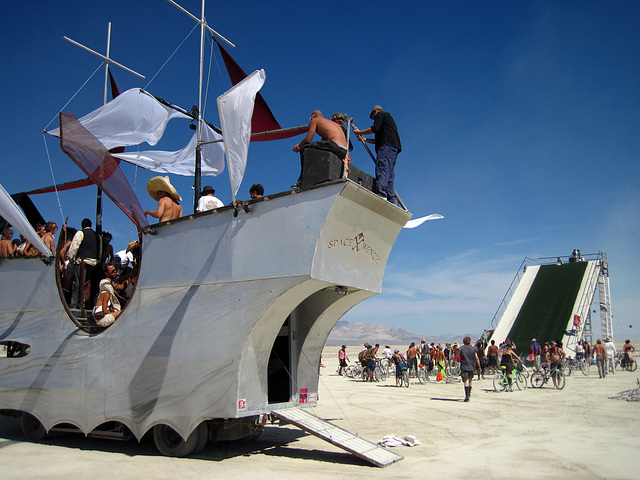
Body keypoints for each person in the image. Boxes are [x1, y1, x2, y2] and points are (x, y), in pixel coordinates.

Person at [352, 106, 401, 204]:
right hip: (392, 148)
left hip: (386, 147)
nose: (374, 119)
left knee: (382, 169)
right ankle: (391, 199)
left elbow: (375, 128)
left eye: (373, 117)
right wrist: (364, 139)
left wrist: (359, 132)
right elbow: (377, 141)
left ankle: (382, 195)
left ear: (376, 111)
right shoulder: (386, 125)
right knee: (389, 173)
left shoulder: (381, 114)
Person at [292, 110, 348, 187]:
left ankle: (301, 181)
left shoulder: (315, 120)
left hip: (334, 145)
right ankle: (318, 176)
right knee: (316, 147)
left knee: (305, 147)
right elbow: (323, 142)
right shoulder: (330, 123)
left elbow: (308, 138)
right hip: (343, 150)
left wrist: (298, 147)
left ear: (312, 117)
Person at [68, 218, 100, 309]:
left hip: (82, 261)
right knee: (85, 284)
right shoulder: (97, 236)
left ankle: (74, 304)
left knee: (77, 284)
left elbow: (74, 247)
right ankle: (83, 304)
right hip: (93, 262)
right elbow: (99, 250)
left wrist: (71, 259)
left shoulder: (80, 233)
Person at [92, 263, 123, 327]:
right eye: (112, 271)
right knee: (122, 312)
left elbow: (121, 286)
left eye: (115, 270)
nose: (115, 272)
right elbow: (105, 311)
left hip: (101, 318)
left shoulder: (105, 293)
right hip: (102, 319)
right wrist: (113, 313)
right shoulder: (106, 294)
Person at [459, 336, 481, 402]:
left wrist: (454, 362)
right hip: (472, 367)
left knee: (466, 381)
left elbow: (457, 355)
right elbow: (476, 358)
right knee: (470, 380)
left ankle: (467, 396)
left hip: (464, 367)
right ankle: (469, 394)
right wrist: (479, 366)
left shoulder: (461, 348)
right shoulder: (473, 349)